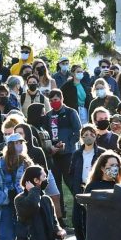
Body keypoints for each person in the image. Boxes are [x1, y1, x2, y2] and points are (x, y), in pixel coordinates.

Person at [44, 89, 83, 219]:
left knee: (71, 182)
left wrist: (68, 145)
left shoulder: (71, 112)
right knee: (56, 185)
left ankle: (81, 208)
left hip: (68, 154)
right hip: (53, 155)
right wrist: (51, 148)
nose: (53, 102)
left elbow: (78, 131)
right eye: (51, 101)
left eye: (55, 100)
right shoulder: (49, 115)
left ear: (61, 99)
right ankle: (60, 216)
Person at [70, 125, 103, 240]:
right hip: (79, 189)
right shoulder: (77, 154)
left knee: (91, 220)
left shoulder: (101, 153)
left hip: (94, 189)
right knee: (77, 220)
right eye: (85, 134)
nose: (88, 136)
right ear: (81, 136)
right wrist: (74, 188)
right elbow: (71, 173)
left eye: (91, 133)